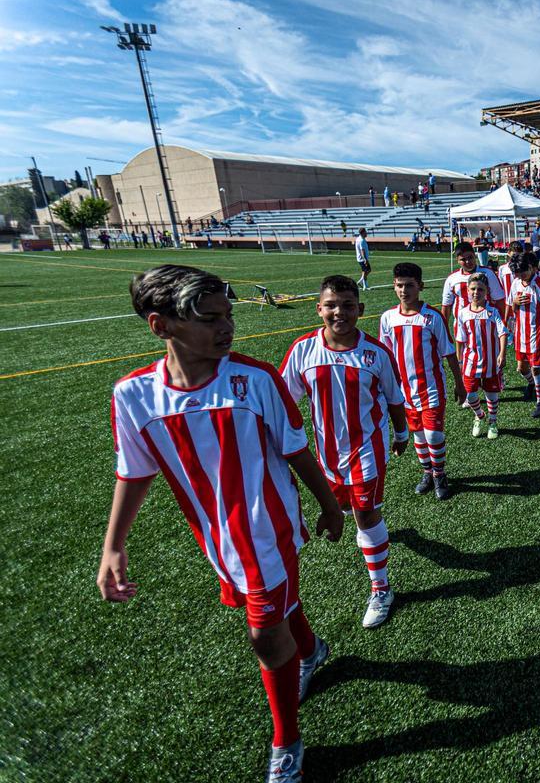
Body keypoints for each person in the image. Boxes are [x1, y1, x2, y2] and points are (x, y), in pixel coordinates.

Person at [101, 265, 344, 783]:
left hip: (269, 531)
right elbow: (134, 471)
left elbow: (298, 451)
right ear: (160, 326)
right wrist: (113, 546)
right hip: (218, 538)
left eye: (228, 315)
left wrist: (327, 503)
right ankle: (313, 650)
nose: (226, 327)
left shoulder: (254, 379)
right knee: (277, 608)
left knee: (263, 633)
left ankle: (287, 741)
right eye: (211, 318)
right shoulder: (134, 396)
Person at [279, 275, 409, 629]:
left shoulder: (375, 353)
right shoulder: (303, 351)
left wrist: (401, 434)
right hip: (327, 454)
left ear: (360, 309)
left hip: (368, 450)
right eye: (332, 305)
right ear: (319, 308)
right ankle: (371, 531)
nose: (340, 312)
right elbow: (284, 405)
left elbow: (395, 399)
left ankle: (381, 589)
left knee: (365, 516)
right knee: (346, 508)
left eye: (348, 305)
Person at [379, 262, 466, 501]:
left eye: (409, 285)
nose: (403, 290)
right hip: (403, 392)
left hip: (431, 389)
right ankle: (427, 472)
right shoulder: (387, 318)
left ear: (421, 286)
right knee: (417, 435)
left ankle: (439, 474)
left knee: (433, 436)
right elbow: (385, 357)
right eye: (399, 285)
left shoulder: (432, 317)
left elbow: (449, 353)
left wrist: (460, 384)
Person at [507, 252, 540, 418]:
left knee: (536, 368)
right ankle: (533, 384)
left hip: (537, 332)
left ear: (531, 267)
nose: (520, 277)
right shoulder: (516, 282)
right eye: (517, 274)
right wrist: (515, 304)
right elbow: (511, 307)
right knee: (521, 368)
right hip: (520, 331)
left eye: (523, 272)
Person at [455, 272, 508, 439]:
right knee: (469, 395)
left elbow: (502, 333)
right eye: (473, 289)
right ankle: (479, 415)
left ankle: (493, 422)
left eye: (480, 289)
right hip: (470, 362)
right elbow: (460, 338)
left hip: (491, 362)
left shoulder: (492, 312)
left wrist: (502, 353)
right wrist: (459, 360)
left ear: (486, 292)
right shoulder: (463, 313)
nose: (476, 292)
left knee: (491, 395)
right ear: (467, 291)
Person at [442, 242, 504, 334]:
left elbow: (499, 300)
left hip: (487, 323)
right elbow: (446, 305)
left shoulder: (487, 273)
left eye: (470, 257)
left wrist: (503, 322)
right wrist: (443, 328)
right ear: (457, 260)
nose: (468, 262)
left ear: (474, 255)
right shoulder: (452, 278)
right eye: (463, 259)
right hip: (462, 326)